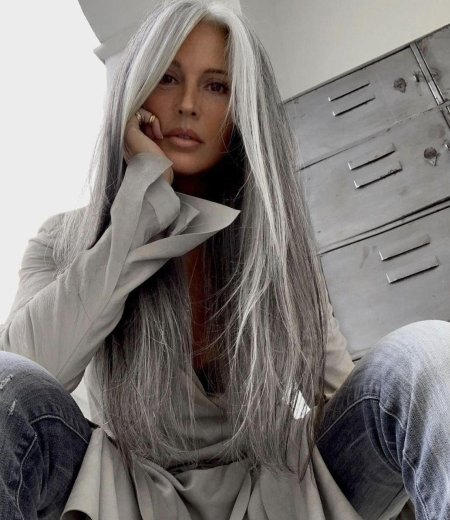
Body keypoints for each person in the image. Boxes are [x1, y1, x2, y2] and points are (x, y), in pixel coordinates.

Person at [1, 0, 450, 519]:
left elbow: (339, 394)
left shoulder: (271, 247)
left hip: (275, 493)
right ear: (135, 95)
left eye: (216, 86)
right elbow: (28, 377)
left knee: (429, 353)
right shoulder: (61, 240)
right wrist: (137, 219)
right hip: (126, 498)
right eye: (167, 78)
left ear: (240, 115)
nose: (188, 104)